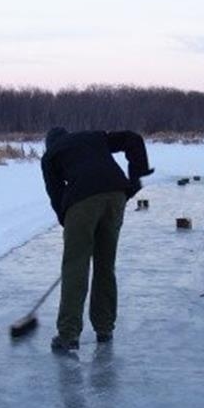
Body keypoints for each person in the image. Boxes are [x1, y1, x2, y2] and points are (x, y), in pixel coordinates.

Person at [40, 127, 153, 353]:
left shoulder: (50, 155)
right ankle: (104, 328)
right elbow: (133, 138)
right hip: (116, 194)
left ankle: (68, 335)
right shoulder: (93, 137)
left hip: (82, 201)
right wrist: (136, 173)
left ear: (49, 143)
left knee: (75, 267)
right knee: (105, 265)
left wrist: (71, 226)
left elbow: (56, 195)